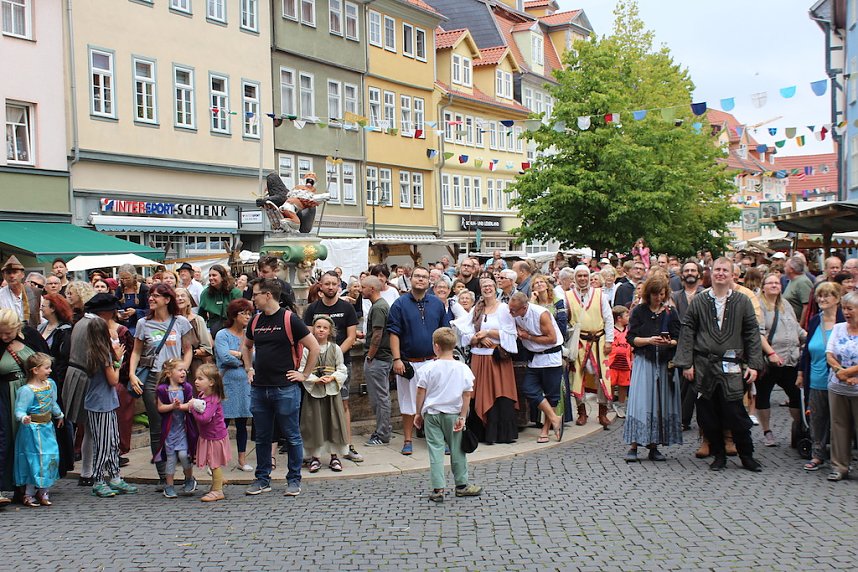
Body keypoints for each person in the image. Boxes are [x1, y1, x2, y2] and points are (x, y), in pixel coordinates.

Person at [674, 257, 765, 472]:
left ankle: (747, 455)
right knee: (708, 414)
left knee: (736, 413)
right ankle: (719, 455)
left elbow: (752, 332)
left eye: (725, 270)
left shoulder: (742, 301)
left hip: (731, 365)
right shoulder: (700, 300)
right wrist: (686, 363)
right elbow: (688, 331)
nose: (720, 274)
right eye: (717, 270)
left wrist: (753, 364)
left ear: (733, 274)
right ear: (711, 273)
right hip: (704, 365)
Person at [242, 278, 319, 497]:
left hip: (285, 387)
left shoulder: (289, 319)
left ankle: (294, 479)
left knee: (292, 435)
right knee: (263, 436)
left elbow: (313, 347)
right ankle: (262, 478)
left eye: (255, 294)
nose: (252, 298)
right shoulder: (255, 320)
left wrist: (304, 375)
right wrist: (248, 368)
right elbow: (246, 346)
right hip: (259, 387)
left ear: (267, 295)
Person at [128, 283, 193, 486]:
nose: (151, 299)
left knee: (180, 422)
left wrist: (183, 369)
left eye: (156, 296)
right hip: (153, 378)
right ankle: (164, 475)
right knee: (157, 426)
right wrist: (131, 374)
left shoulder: (181, 322)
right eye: (150, 295)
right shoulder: (143, 323)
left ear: (167, 299)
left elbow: (188, 349)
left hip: (175, 379)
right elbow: (136, 351)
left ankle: (185, 471)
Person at [413, 327, 482, 503]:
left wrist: (418, 413)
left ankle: (438, 489)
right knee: (458, 450)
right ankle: (461, 485)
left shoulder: (428, 369)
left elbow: (421, 392)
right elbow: (467, 395)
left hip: (432, 414)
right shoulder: (463, 368)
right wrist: (463, 417)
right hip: (453, 414)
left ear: (436, 346)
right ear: (454, 345)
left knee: (435, 451)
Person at [387, 267, 450, 455]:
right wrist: (397, 359)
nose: (420, 280)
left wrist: (445, 357)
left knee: (437, 402)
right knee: (408, 404)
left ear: (429, 281)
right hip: (409, 363)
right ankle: (407, 440)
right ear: (410, 279)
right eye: (417, 276)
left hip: (433, 362)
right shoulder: (399, 304)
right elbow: (394, 333)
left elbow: (444, 332)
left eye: (424, 277)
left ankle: (440, 440)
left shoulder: (437, 304)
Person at [302, 271, 361, 463]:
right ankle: (316, 450)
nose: (330, 287)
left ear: (338, 286)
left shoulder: (347, 308)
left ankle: (346, 445)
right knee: (316, 408)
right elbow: (308, 338)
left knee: (343, 404)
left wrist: (335, 356)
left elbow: (351, 336)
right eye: (326, 283)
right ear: (320, 285)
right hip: (316, 364)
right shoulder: (312, 309)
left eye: (333, 284)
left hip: (340, 361)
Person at [623, 275, 682, 462]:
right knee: (640, 402)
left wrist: (668, 342)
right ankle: (634, 445)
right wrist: (649, 340)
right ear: (649, 294)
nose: (658, 298)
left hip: (663, 363)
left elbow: (678, 338)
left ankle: (654, 446)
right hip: (644, 361)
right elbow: (631, 338)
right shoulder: (639, 311)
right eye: (655, 294)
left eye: (662, 294)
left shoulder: (670, 312)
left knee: (659, 403)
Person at [456, 278, 519, 444]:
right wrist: (478, 338)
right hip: (479, 357)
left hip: (497, 359)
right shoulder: (477, 308)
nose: (487, 289)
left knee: (500, 392)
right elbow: (464, 331)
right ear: (480, 289)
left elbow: (511, 333)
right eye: (484, 286)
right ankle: (481, 433)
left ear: (495, 287)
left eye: (490, 286)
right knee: (477, 393)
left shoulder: (503, 308)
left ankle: (500, 434)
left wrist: (488, 333)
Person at [84, 316, 137, 497]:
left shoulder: (92, 351)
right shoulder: (102, 353)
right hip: (102, 404)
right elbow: (113, 380)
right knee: (105, 444)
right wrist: (119, 360)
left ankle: (115, 476)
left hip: (102, 402)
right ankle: (99, 480)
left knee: (112, 441)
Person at [0, 308, 49, 500]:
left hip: (32, 393)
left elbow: (45, 360)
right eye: (0, 332)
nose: (4, 336)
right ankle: (8, 484)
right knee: (6, 437)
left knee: (31, 440)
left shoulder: (30, 336)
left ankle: (28, 484)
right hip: (5, 394)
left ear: (17, 328)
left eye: (8, 333)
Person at [797, 282, 843, 471]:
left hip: (839, 380)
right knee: (817, 419)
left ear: (837, 299)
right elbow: (807, 350)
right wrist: (800, 373)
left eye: (827, 296)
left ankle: (840, 457)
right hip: (815, 378)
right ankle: (817, 454)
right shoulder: (816, 320)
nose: (822, 300)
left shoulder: (845, 321)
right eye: (819, 296)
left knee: (839, 421)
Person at [507, 292, 564, 441]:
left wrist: (529, 337)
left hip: (551, 357)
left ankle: (545, 430)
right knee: (528, 389)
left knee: (552, 396)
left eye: (513, 310)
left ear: (524, 308)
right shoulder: (515, 314)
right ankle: (554, 418)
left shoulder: (541, 314)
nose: (510, 312)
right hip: (535, 358)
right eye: (510, 308)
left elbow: (552, 339)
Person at [757, 273, 805, 448]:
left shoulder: (786, 305)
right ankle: (767, 431)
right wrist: (771, 353)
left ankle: (799, 427)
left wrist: (808, 337)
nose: (774, 285)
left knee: (795, 394)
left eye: (777, 283)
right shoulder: (759, 305)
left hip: (791, 358)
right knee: (763, 395)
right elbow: (758, 333)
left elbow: (796, 327)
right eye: (770, 283)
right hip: (769, 360)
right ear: (763, 287)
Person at [566, 265, 615, 428]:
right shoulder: (568, 296)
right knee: (577, 377)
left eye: (585, 276)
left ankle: (602, 412)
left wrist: (609, 340)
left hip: (599, 341)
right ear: (575, 278)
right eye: (579, 276)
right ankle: (581, 412)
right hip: (579, 342)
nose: (582, 279)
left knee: (602, 377)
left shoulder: (599, 294)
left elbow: (608, 318)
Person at [299, 316, 348, 473]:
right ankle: (315, 457)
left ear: (330, 331)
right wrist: (314, 379)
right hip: (314, 392)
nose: (321, 330)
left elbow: (341, 368)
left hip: (331, 392)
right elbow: (302, 369)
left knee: (333, 423)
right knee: (314, 423)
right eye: (318, 326)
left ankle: (334, 456)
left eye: (324, 327)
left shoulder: (336, 349)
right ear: (313, 329)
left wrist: (332, 377)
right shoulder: (307, 349)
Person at [13, 353, 63, 507]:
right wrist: (23, 418)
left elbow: (52, 402)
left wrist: (58, 414)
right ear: (35, 370)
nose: (49, 371)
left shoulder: (50, 384)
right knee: (34, 459)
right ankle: (28, 493)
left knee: (50, 457)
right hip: (33, 430)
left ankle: (44, 491)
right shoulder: (27, 390)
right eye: (46, 368)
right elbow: (19, 410)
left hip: (47, 428)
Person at [214, 298, 254, 472]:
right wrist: (243, 358)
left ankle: (242, 459)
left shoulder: (249, 335)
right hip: (227, 383)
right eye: (243, 313)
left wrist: (236, 355)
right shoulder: (223, 334)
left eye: (249, 313)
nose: (247, 316)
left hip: (244, 383)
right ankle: (216, 460)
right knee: (221, 423)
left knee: (241, 424)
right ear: (234, 315)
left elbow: (254, 358)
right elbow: (224, 357)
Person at [154, 358, 198, 499]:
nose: (183, 372)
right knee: (171, 458)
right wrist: (172, 407)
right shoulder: (162, 389)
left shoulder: (186, 388)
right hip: (169, 431)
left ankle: (189, 478)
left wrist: (181, 406)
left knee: (184, 455)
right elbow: (160, 408)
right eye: (180, 370)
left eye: (184, 370)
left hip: (183, 429)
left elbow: (191, 404)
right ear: (169, 373)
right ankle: (169, 485)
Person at [188, 364, 231, 502]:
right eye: (196, 378)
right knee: (211, 461)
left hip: (214, 437)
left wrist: (192, 408)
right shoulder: (203, 395)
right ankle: (217, 480)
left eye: (200, 379)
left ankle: (218, 490)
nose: (196, 381)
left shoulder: (212, 399)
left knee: (214, 463)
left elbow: (204, 418)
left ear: (211, 382)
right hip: (208, 436)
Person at [671, 261, 703, 432]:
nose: (690, 273)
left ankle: (706, 420)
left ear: (699, 273)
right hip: (681, 344)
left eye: (693, 270)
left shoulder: (705, 294)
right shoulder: (675, 296)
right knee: (684, 384)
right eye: (687, 270)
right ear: (682, 274)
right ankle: (683, 418)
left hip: (702, 345)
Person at [362, 276, 394, 447]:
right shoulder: (379, 306)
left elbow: (377, 334)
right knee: (380, 397)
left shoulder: (379, 307)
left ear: (372, 289)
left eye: (363, 287)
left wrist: (370, 356)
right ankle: (384, 430)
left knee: (380, 397)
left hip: (379, 358)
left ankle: (382, 434)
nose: (361, 290)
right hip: (380, 357)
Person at [175, 287, 213, 380]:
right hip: (173, 366)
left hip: (194, 366)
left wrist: (190, 353)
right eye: (177, 296)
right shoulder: (169, 320)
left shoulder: (197, 320)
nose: (180, 298)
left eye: (183, 296)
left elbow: (207, 348)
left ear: (189, 300)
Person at [197, 265, 241, 337]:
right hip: (213, 331)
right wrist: (206, 334)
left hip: (232, 329)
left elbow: (240, 315)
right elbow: (201, 317)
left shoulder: (235, 292)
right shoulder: (205, 294)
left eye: (214, 275)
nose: (211, 278)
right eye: (210, 275)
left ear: (223, 277)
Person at [0, 255, 41, 328]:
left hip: (30, 334)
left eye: (15, 272)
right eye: (8, 273)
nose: (12, 276)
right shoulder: (1, 294)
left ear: (22, 274)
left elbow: (40, 317)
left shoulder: (35, 292)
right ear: (4, 275)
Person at [607, 305, 631, 418]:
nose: (629, 317)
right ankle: (609, 404)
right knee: (610, 384)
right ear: (619, 318)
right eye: (627, 315)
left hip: (625, 363)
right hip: (612, 363)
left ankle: (621, 405)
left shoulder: (629, 331)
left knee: (623, 385)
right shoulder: (611, 331)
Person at [115, 265, 149, 335]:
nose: (124, 281)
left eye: (127, 278)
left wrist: (136, 311)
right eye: (122, 279)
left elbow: (149, 309)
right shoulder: (119, 289)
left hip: (139, 324)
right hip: (123, 324)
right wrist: (118, 314)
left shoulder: (144, 289)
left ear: (134, 277)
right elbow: (115, 305)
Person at [783, 256, 813, 324]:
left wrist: (800, 326)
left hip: (797, 323)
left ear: (791, 269)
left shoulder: (803, 282)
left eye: (785, 266)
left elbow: (807, 306)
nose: (784, 268)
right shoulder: (792, 280)